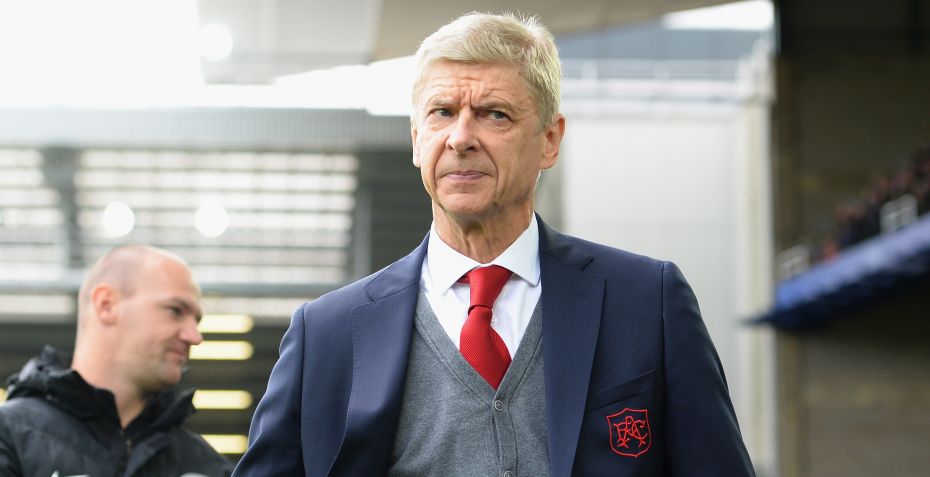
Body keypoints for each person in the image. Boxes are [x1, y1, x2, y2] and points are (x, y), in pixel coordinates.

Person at [233, 12, 754, 477]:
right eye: (441, 112)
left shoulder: (647, 302)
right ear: (417, 140)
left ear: (549, 140)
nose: (460, 137)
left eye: (494, 114)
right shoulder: (326, 334)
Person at [0, 245, 233, 477]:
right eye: (175, 310)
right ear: (106, 304)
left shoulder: (210, 467)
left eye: (197, 321)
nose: (194, 337)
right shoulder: (10, 436)